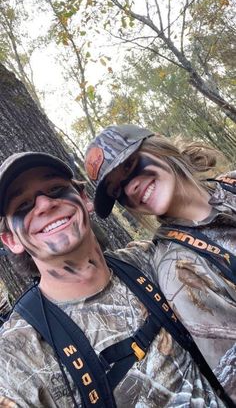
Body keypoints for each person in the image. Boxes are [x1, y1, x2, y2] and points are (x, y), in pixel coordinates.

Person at [0, 151, 232, 408]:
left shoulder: (150, 260)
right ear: (11, 240)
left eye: (55, 189)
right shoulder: (16, 356)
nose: (45, 204)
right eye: (22, 205)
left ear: (84, 198)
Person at [84, 123, 236, 402]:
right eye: (118, 190)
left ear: (158, 148)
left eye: (129, 167)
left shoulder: (231, 185)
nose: (130, 189)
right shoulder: (179, 267)